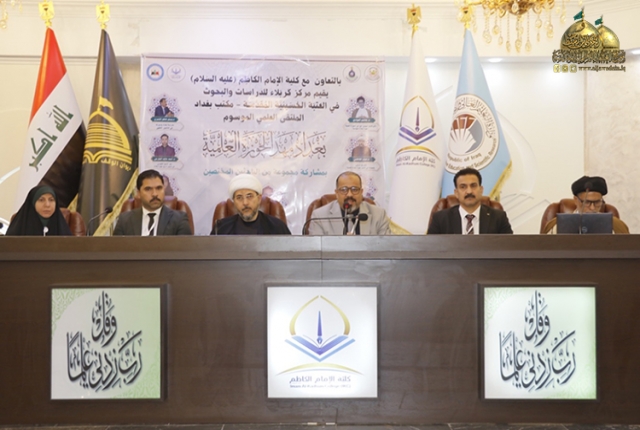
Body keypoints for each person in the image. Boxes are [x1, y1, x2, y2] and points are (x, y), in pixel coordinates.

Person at [427, 167, 513, 234]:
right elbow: (430, 249)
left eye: (473, 186)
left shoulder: (499, 218)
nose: (469, 191)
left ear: (481, 190)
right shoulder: (440, 219)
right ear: (456, 193)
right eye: (463, 187)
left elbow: (509, 248)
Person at [308, 171, 391, 235]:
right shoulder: (319, 217)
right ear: (337, 193)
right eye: (344, 190)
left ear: (361, 192)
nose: (349, 194)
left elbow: (386, 247)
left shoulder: (379, 215)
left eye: (354, 189)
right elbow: (317, 249)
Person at [113, 169, 192, 236]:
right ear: (139, 193)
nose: (155, 194)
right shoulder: (124, 220)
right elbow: (116, 248)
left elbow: (184, 249)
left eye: (159, 188)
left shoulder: (179, 219)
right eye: (148, 189)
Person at [542, 175, 629, 234]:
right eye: (587, 202)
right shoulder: (556, 225)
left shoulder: (616, 225)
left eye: (597, 202)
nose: (592, 208)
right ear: (576, 200)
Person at [212, 174, 291, 235]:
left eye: (249, 196)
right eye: (239, 197)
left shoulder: (277, 227)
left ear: (259, 198)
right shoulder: (220, 228)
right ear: (234, 202)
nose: (245, 202)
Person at [7, 185, 72, 236]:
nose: (47, 205)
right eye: (41, 200)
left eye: (51, 200)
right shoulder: (19, 227)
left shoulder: (62, 228)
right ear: (32, 203)